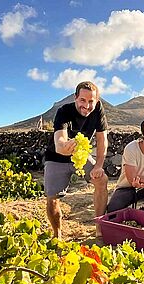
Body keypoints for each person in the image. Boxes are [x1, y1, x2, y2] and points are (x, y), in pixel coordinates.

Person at [44, 81, 108, 238]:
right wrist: (64, 145)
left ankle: (99, 229)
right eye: (82, 100)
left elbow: (102, 140)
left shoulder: (98, 109)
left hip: (80, 156)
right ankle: (57, 233)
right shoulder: (63, 111)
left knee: (102, 180)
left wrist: (99, 165)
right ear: (75, 98)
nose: (86, 106)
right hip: (56, 157)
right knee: (52, 198)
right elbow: (59, 141)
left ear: (97, 101)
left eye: (91, 101)